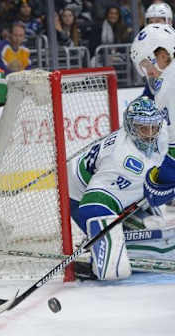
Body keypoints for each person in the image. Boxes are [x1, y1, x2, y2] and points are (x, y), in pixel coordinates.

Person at [68, 96, 170, 280]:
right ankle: (92, 250)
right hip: (79, 196)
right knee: (135, 244)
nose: (149, 134)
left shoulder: (162, 134)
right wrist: (103, 242)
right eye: (143, 128)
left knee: (155, 226)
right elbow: (91, 207)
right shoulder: (122, 160)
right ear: (131, 127)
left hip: (122, 185)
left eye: (153, 127)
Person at [130, 24, 175, 212]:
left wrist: (157, 185)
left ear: (162, 54)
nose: (148, 73)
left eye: (146, 65)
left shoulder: (168, 87)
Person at [0, 22, 30, 94]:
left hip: (16, 88)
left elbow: (29, 70)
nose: (18, 38)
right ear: (10, 35)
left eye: (20, 36)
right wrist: (18, 73)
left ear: (24, 37)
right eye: (15, 35)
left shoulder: (25, 50)